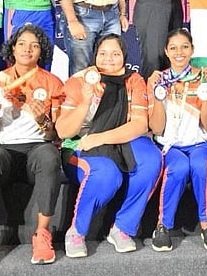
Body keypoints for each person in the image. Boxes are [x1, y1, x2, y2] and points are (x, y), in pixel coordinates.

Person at [0, 24, 65, 269]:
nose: (27, 49)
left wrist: (43, 119)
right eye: (21, 43)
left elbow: (55, 134)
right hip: (3, 151)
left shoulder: (52, 82)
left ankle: (42, 235)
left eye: (34, 45)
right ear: (12, 48)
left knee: (49, 155)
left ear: (41, 51)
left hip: (36, 149)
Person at [55, 34, 162, 256]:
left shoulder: (133, 80)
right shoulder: (79, 80)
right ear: (95, 55)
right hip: (80, 144)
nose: (109, 59)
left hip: (118, 140)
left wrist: (101, 138)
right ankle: (76, 231)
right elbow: (64, 131)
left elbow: (140, 125)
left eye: (115, 54)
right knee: (107, 173)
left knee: (152, 159)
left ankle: (122, 228)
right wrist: (84, 102)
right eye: (103, 53)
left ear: (124, 56)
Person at [146, 29, 207, 252]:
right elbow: (157, 128)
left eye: (185, 47)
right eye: (173, 48)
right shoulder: (158, 80)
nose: (179, 52)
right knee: (178, 167)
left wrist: (206, 94)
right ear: (166, 52)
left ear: (192, 50)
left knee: (200, 166)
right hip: (170, 145)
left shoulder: (203, 78)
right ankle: (163, 226)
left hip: (199, 143)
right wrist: (158, 95)